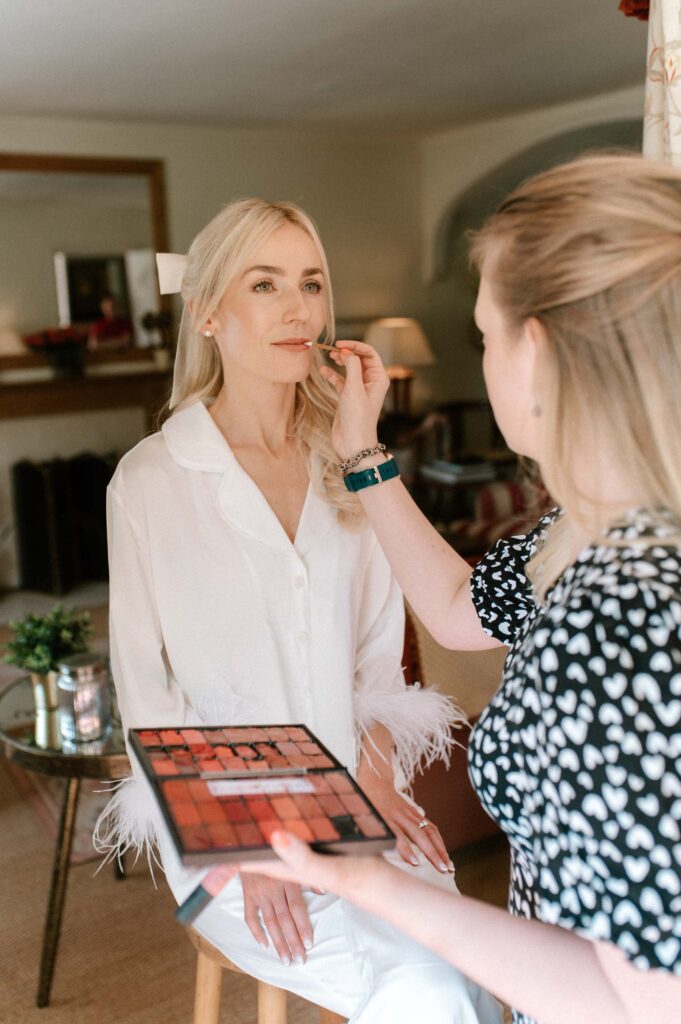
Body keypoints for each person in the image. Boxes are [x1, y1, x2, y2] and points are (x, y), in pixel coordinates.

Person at [236, 154, 681, 1024]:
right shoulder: (591, 534)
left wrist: (369, 884)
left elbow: (641, 1000)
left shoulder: (615, 611)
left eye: (483, 335)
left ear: (538, 351)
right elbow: (455, 607)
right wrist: (364, 455)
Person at [96, 197, 502, 1023]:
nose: (296, 308)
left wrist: (381, 780)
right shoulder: (149, 482)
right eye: (265, 283)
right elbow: (148, 703)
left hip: (363, 796)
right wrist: (245, 852)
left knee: (463, 975)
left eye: (310, 283)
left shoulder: (349, 464)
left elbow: (378, 664)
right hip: (225, 831)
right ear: (209, 312)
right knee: (428, 992)